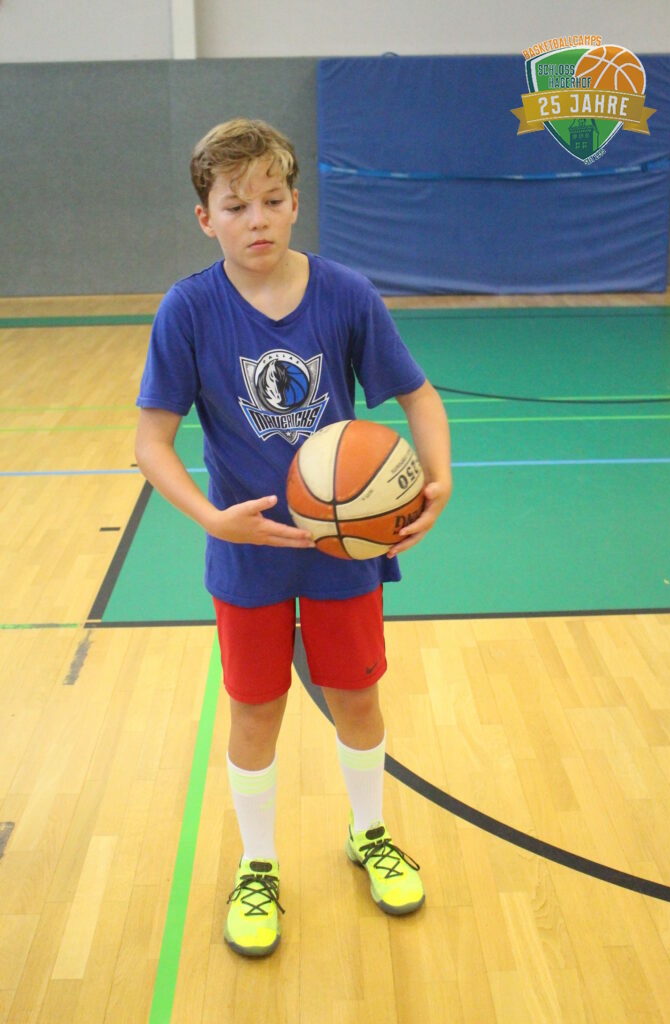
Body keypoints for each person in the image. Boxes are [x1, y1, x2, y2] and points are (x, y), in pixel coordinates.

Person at [135, 118, 452, 958]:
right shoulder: (189, 308)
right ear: (205, 217)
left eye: (272, 201)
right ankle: (259, 863)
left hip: (343, 547)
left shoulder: (344, 293)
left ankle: (369, 831)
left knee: (357, 698)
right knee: (255, 709)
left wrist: (438, 477)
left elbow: (418, 396)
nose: (257, 220)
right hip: (246, 553)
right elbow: (150, 442)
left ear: (295, 203)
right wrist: (211, 518)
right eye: (236, 206)